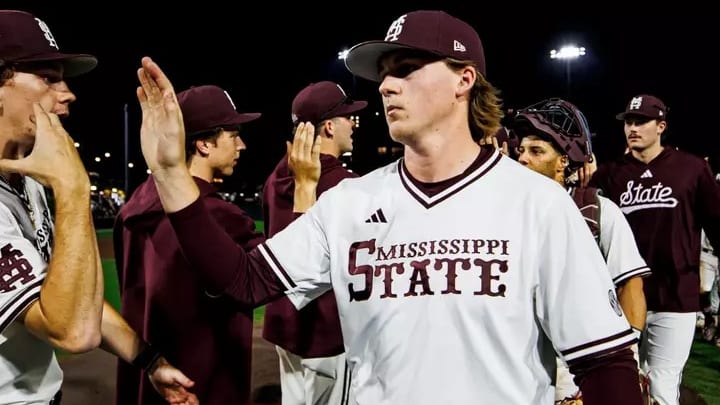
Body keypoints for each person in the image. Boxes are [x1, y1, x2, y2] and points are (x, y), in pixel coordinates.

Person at [134, 9, 644, 405]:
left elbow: (605, 360)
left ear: (464, 80)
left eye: (407, 68)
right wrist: (172, 174)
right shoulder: (351, 202)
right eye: (384, 73)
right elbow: (243, 282)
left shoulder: (538, 204)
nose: (385, 84)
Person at [0, 10, 196, 405]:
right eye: (48, 77)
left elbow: (68, 295)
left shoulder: (29, 180)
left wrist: (149, 360)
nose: (67, 92)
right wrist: (73, 188)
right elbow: (72, 331)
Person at [114, 84, 264, 405]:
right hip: (200, 385)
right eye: (233, 134)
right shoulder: (222, 217)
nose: (242, 144)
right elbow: (276, 279)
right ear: (204, 144)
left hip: (147, 376)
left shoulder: (131, 209)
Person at [510, 98, 651, 403]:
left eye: (536, 151)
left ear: (563, 161)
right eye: (521, 150)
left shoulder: (598, 210)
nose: (522, 159)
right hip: (524, 365)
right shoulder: (505, 212)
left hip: (582, 364)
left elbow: (630, 283)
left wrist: (628, 360)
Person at [589, 94, 720, 405]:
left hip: (675, 295)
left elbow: (716, 223)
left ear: (661, 126)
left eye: (642, 121)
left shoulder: (691, 169)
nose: (633, 128)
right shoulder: (609, 174)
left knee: (660, 384)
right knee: (620, 384)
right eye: (629, 122)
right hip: (620, 296)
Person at [262, 81, 366, 405]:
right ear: (330, 127)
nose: (355, 124)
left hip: (283, 323)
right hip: (327, 332)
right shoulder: (348, 187)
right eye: (350, 117)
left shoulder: (274, 179)